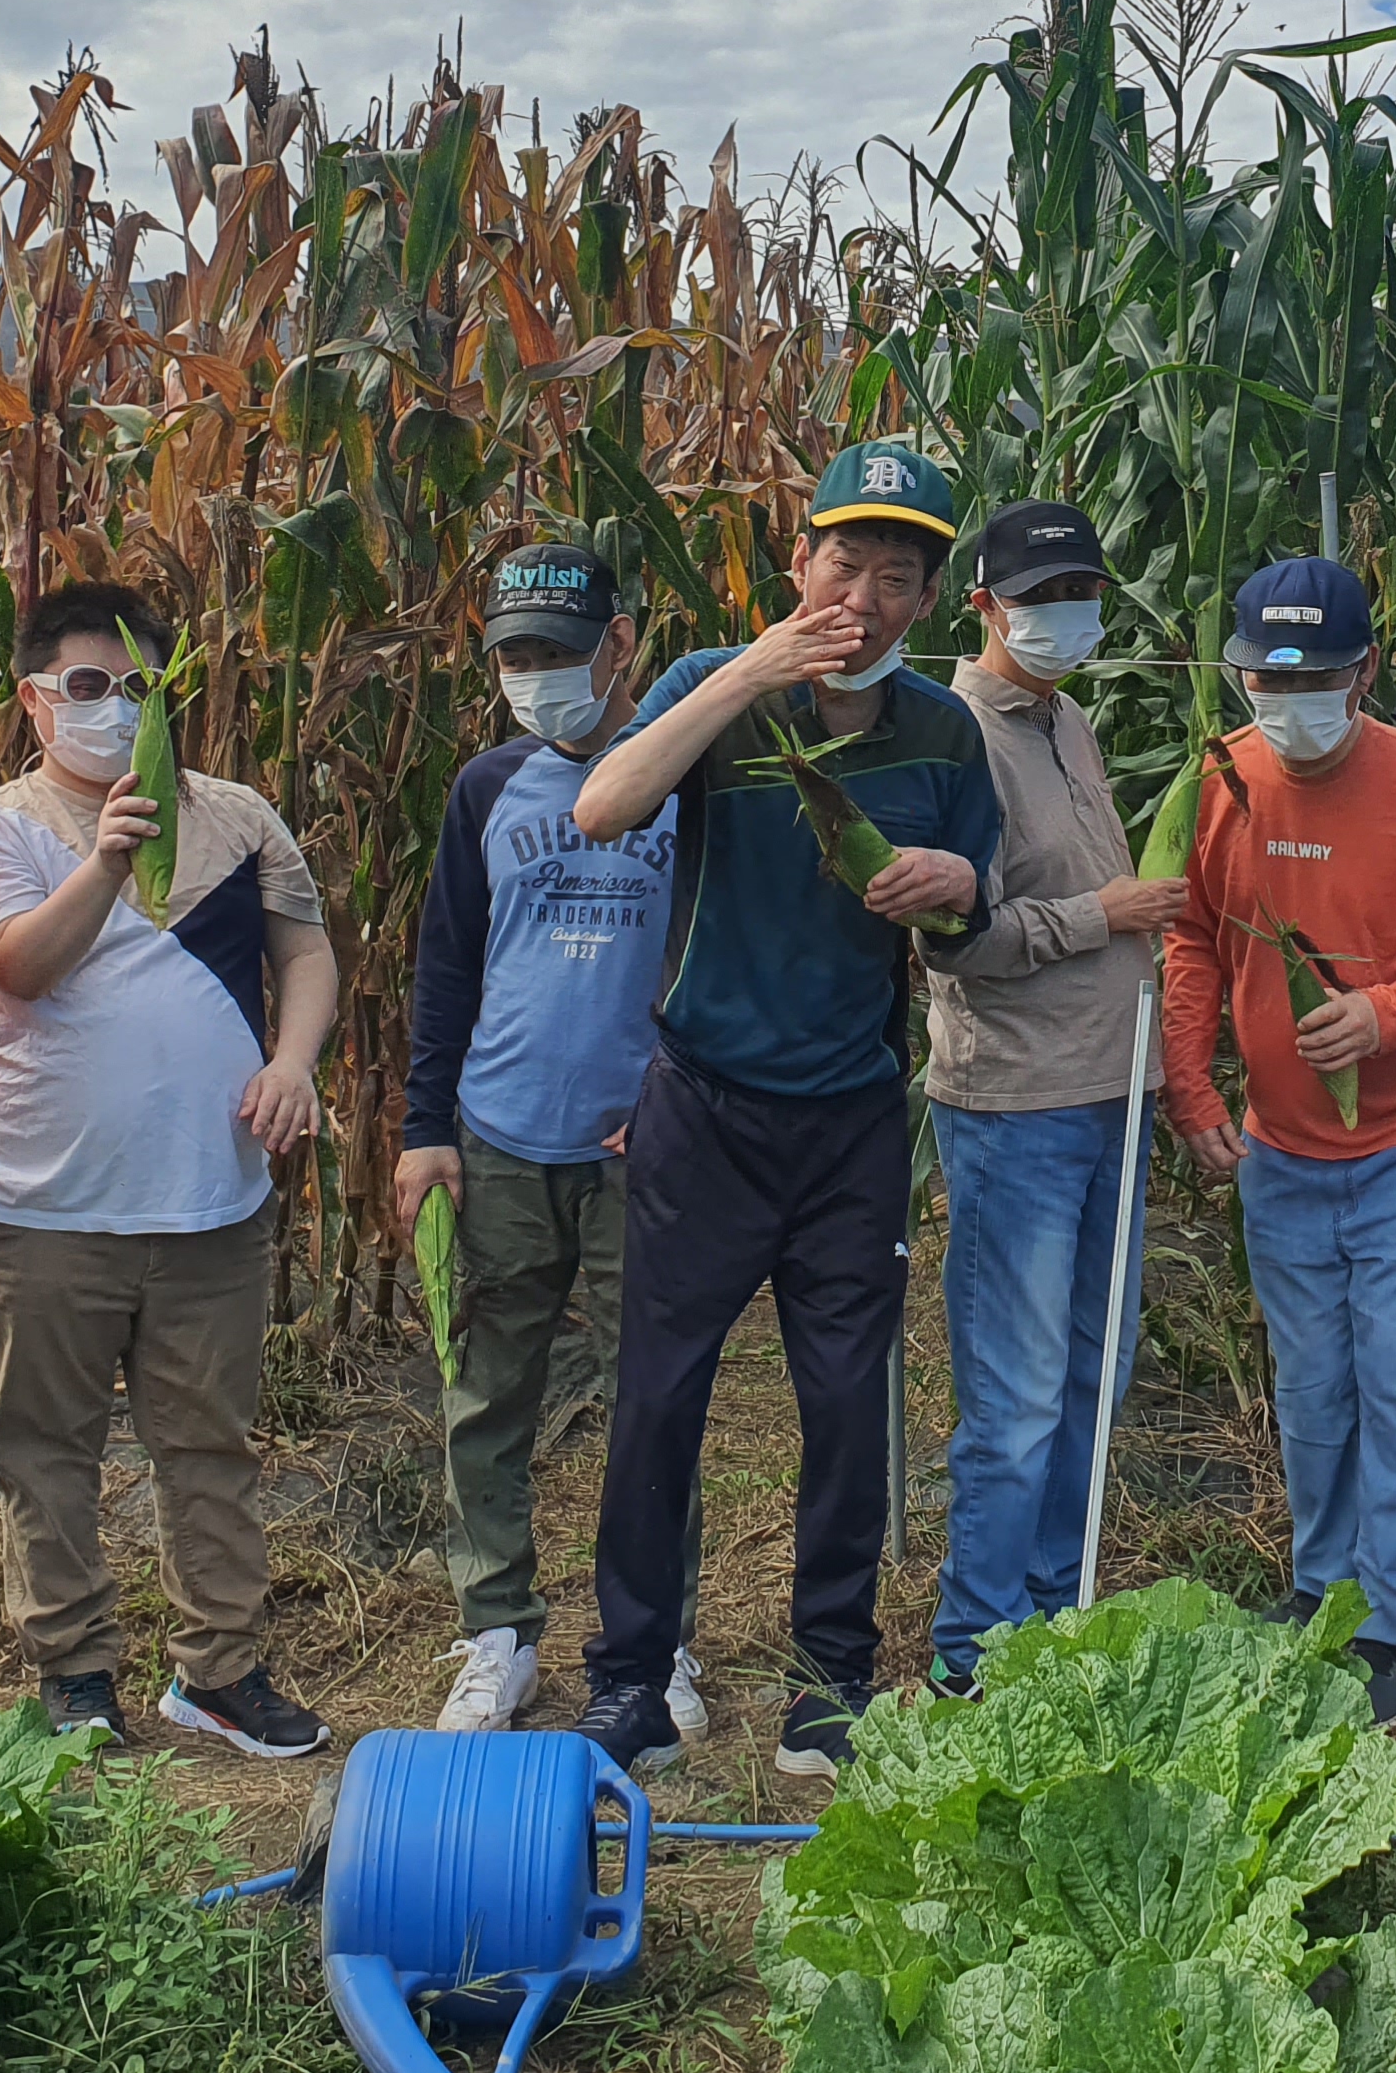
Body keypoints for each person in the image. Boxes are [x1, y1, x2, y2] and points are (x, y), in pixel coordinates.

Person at [564, 443, 1000, 1780]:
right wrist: (746, 675)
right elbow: (602, 806)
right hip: (703, 1110)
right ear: (797, 563)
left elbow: (971, 922)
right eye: (843, 564)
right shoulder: (715, 689)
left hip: (851, 1121)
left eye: (897, 576)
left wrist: (955, 886)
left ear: (929, 600)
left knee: (847, 1406)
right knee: (659, 1399)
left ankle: (832, 1679)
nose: (863, 598)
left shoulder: (943, 732)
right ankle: (631, 1678)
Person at [0, 578, 339, 1760]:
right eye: (87, 685)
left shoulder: (239, 816)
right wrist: (110, 858)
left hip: (210, 1200)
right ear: (33, 698)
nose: (115, 708)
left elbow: (305, 951)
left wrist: (294, 1062)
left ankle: (220, 1671)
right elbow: (21, 966)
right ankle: (73, 1670)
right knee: (47, 1448)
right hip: (48, 1205)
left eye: (140, 687)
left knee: (208, 1445)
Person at [1160, 556, 1396, 1729]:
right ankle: (1323, 1589)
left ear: (1366, 671)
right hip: (1282, 1151)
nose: (1289, 702)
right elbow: (1192, 938)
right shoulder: (1221, 778)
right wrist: (1192, 1087)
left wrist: (1388, 1013)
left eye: (1315, 680)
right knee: (1314, 1387)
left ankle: (1393, 1622)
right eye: (1266, 681)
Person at [396, 537, 705, 1740]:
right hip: (501, 1137)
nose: (536, 676)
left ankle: (656, 1639)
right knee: (486, 1394)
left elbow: (711, 951)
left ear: (621, 644)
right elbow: (446, 965)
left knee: (653, 1401)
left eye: (559, 653)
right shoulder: (488, 788)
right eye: (515, 656)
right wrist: (426, 1129)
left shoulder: (687, 775)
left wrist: (678, 1095)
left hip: (643, 1147)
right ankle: (497, 1633)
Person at [921, 499, 1186, 1689]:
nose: (1067, 617)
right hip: (1016, 1105)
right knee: (1017, 1398)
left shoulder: (1067, 718)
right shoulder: (955, 734)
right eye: (1041, 599)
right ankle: (974, 1653)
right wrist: (1104, 915)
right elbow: (954, 941)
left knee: (1094, 1371)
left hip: (1112, 1087)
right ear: (984, 606)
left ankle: (1051, 1612)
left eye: (1081, 594)